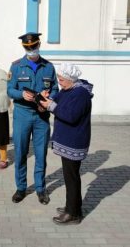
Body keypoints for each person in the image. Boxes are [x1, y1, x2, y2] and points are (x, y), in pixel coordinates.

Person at [7, 32, 58, 205]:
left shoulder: (48, 67)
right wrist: (21, 94)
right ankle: (21, 188)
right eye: (28, 48)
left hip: (41, 117)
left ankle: (41, 189)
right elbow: (10, 90)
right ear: (24, 47)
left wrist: (48, 96)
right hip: (22, 114)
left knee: (41, 154)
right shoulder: (16, 66)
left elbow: (56, 89)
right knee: (20, 152)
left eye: (34, 47)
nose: (31, 50)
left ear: (39, 45)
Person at [39, 63, 93, 225]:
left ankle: (73, 214)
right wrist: (45, 98)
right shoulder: (68, 90)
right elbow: (56, 101)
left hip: (74, 143)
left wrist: (51, 106)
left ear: (70, 79)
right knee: (70, 177)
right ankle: (73, 207)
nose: (59, 82)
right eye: (59, 79)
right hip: (67, 142)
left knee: (72, 178)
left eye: (62, 79)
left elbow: (71, 116)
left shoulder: (81, 94)